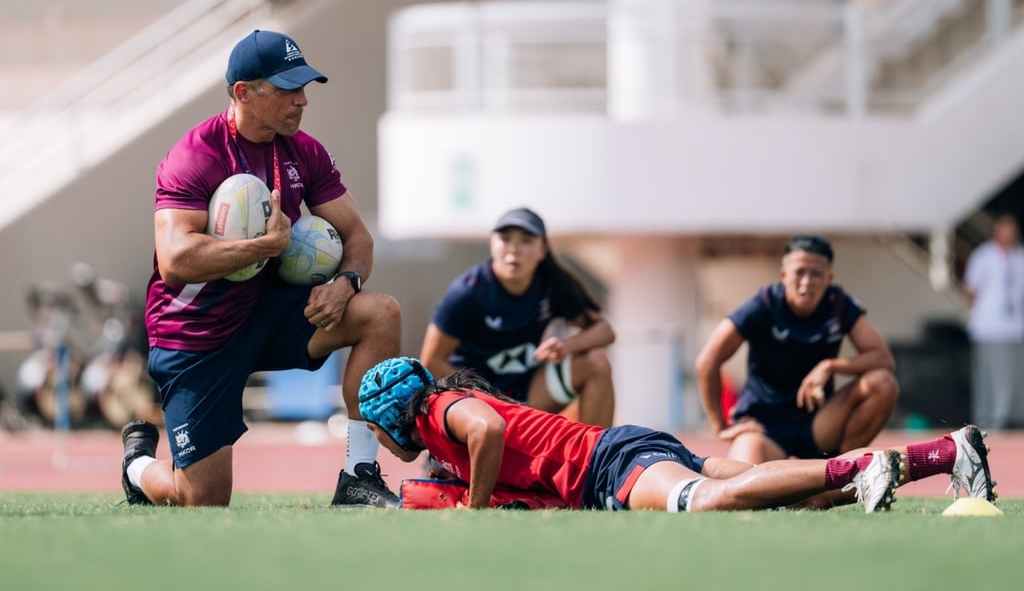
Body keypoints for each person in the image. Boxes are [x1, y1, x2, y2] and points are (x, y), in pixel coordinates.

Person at [119, 29, 402, 508]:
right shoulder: (195, 155)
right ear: (243, 92)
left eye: (305, 87)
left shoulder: (304, 151)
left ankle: (358, 475)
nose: (303, 100)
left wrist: (346, 283)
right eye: (288, 88)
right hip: (196, 335)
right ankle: (137, 467)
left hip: (264, 313)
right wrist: (261, 247)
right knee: (201, 500)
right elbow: (175, 261)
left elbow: (358, 238)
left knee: (381, 313)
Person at [357, 357, 996, 512]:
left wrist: (470, 509)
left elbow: (490, 429)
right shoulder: (444, 432)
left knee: (707, 502)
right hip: (619, 454)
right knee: (770, 495)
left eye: (375, 432)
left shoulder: (440, 411)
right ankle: (945, 452)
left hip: (609, 463)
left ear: (392, 418)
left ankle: (854, 470)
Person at [695, 234, 899, 464]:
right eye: (799, 272)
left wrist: (830, 366)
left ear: (828, 278)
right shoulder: (763, 305)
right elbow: (707, 361)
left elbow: (883, 358)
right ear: (784, 275)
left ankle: (844, 470)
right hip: (764, 426)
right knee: (744, 486)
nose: (807, 281)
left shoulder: (839, 305)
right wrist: (720, 426)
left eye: (816, 274)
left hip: (818, 423)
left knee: (882, 383)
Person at [419, 207, 616, 428]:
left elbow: (605, 331)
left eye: (526, 240)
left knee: (596, 362)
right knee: (485, 436)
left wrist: (567, 345)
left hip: (526, 394)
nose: (514, 250)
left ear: (543, 250)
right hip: (475, 399)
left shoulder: (553, 284)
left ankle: (596, 459)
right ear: (492, 244)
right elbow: (431, 361)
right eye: (505, 239)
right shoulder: (468, 292)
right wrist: (487, 398)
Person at [964, 213, 1024, 429]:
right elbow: (971, 289)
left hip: (1014, 327)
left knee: (1012, 377)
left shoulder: (1019, 257)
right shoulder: (983, 256)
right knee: (989, 377)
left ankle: (1009, 419)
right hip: (988, 326)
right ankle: (988, 420)